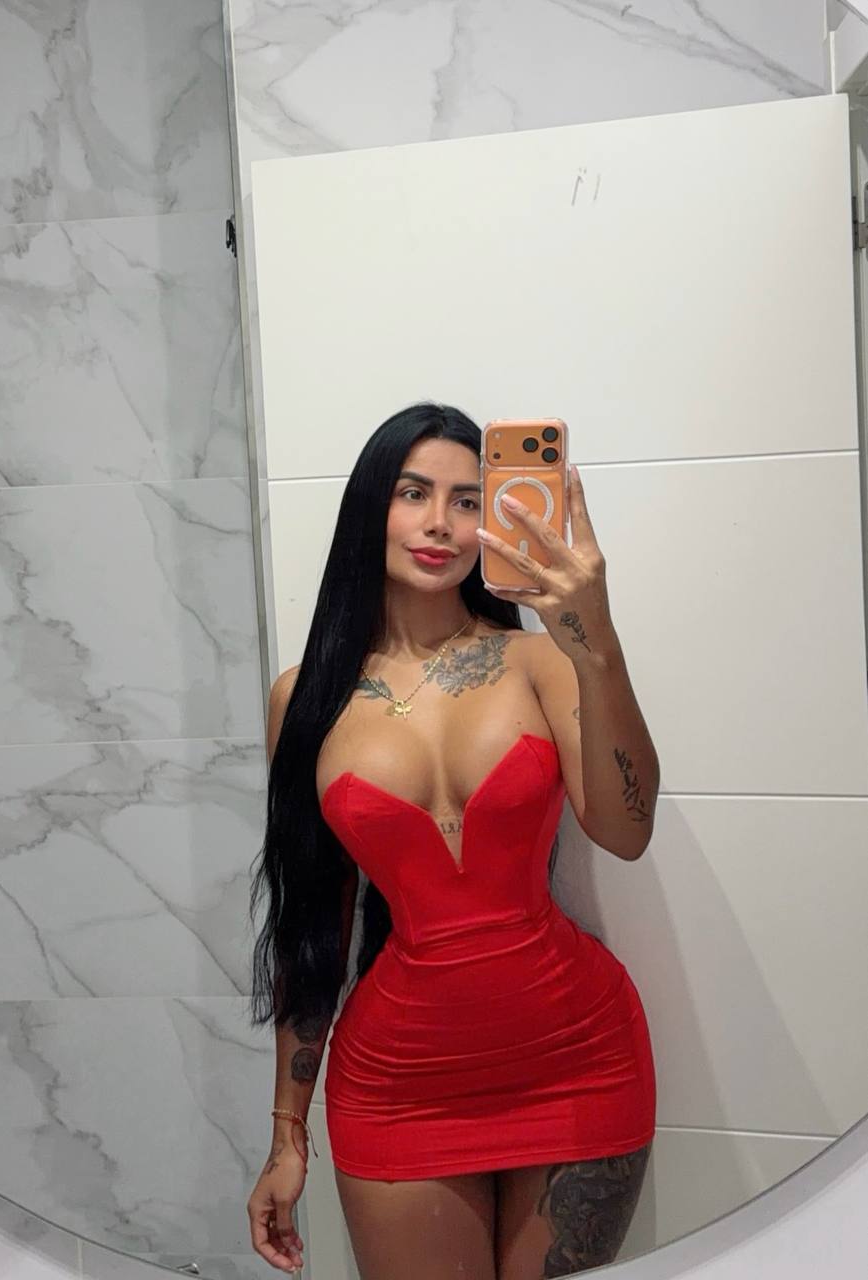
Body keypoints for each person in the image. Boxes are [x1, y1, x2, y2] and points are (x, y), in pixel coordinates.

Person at [246, 402, 659, 1279]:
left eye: (468, 501)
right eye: (413, 493)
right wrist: (287, 1132)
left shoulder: (539, 663)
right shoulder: (304, 698)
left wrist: (595, 640)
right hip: (397, 1084)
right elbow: (311, 924)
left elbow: (625, 831)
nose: (439, 522)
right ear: (371, 507)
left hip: (578, 1060)